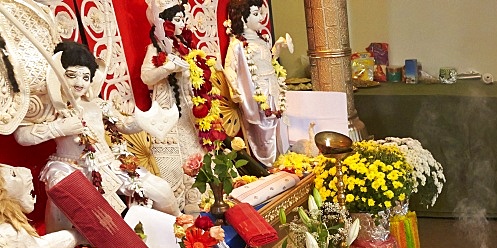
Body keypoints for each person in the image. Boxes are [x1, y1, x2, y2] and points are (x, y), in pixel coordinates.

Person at [13, 41, 180, 231]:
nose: (79, 82)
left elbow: (123, 125)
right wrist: (59, 127)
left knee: (162, 190)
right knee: (62, 193)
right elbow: (22, 136)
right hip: (69, 166)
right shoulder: (51, 107)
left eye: (86, 77)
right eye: (72, 75)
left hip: (110, 164)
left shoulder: (97, 105)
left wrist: (146, 121)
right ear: (58, 74)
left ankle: (176, 230)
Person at [140, 0, 213, 211]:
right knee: (176, 155)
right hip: (168, 109)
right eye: (178, 19)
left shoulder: (184, 46)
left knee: (196, 148)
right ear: (166, 22)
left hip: (189, 109)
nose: (183, 23)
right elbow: (146, 76)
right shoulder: (155, 47)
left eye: (184, 19)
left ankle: (203, 195)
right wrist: (169, 67)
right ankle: (181, 202)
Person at [224, 0, 291, 167]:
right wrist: (235, 91)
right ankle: (268, 163)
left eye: (260, 13)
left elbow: (268, 59)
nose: (261, 17)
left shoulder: (261, 40)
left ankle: (282, 159)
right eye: (255, 14)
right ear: (243, 19)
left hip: (273, 89)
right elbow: (229, 68)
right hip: (258, 92)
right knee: (264, 128)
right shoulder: (238, 44)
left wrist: (277, 47)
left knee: (278, 123)